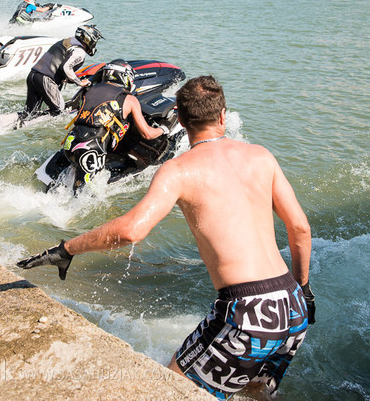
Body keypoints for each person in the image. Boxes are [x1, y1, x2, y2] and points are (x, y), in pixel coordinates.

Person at [17, 75, 315, 400]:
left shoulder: (178, 170)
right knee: (255, 393)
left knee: (170, 391)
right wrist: (305, 290)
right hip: (293, 306)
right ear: (223, 115)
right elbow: (299, 228)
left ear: (181, 120)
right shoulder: (261, 156)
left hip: (248, 312)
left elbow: (131, 230)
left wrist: (68, 248)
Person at [58, 60, 168, 192]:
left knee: (64, 189)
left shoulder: (89, 90)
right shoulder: (129, 99)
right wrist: (162, 129)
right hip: (91, 150)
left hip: (70, 143)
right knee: (83, 197)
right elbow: (147, 134)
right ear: (125, 77)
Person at [19, 24, 102, 124]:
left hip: (33, 75)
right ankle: (27, 124)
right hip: (46, 78)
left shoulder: (68, 41)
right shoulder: (80, 51)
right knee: (59, 111)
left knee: (29, 112)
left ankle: (1, 119)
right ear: (89, 39)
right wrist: (79, 82)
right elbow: (66, 67)